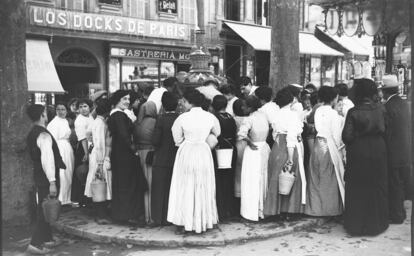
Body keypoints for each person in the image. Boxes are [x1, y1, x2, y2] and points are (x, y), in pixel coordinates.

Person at [167, 89, 221, 233]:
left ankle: (184, 222)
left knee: (185, 186)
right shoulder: (210, 117)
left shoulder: (182, 118)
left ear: (188, 102)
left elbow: (177, 138)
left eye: (184, 101)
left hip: (187, 151)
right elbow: (217, 132)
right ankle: (203, 221)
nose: (182, 104)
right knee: (203, 185)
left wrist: (184, 141)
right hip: (203, 151)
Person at [342, 78, 389, 236]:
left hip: (359, 151)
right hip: (378, 149)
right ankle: (376, 224)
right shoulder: (381, 109)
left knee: (358, 187)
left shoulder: (353, 112)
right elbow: (386, 130)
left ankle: (356, 225)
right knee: (376, 186)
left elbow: (347, 137)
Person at [26, 104, 66, 254]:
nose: (46, 114)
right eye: (45, 112)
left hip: (39, 175)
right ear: (42, 115)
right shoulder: (43, 135)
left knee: (45, 207)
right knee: (45, 210)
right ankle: (34, 245)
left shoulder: (33, 132)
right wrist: (52, 182)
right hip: (46, 178)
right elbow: (47, 160)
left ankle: (47, 239)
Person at [107, 90, 147, 226]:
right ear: (117, 100)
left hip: (119, 152)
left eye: (128, 99)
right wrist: (133, 150)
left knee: (122, 183)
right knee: (127, 183)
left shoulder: (117, 114)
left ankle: (121, 214)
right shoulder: (119, 115)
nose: (127, 101)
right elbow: (124, 135)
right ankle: (128, 215)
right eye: (124, 99)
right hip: (124, 153)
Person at [264, 87, 305, 219]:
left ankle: (274, 210)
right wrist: (291, 157)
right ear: (292, 100)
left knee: (276, 177)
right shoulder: (293, 115)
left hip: (277, 146)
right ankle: (290, 210)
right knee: (291, 176)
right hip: (289, 147)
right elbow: (291, 137)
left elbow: (274, 133)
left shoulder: (276, 115)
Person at [305, 86, 345, 217]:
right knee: (329, 177)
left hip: (318, 143)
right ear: (334, 98)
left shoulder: (317, 111)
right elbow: (336, 135)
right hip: (328, 145)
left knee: (316, 175)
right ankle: (330, 209)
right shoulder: (334, 114)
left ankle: (315, 208)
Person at [381, 75, 412, 224]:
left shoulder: (387, 107)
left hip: (392, 151)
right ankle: (401, 213)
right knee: (400, 182)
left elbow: (386, 131)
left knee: (394, 184)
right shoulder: (405, 104)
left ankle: (397, 215)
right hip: (404, 149)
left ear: (385, 91)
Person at [239, 95, 270, 221]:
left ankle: (251, 211)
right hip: (264, 148)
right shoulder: (264, 116)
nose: (242, 108)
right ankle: (263, 208)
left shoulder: (249, 119)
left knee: (251, 180)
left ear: (250, 107)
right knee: (263, 177)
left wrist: (250, 142)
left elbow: (241, 134)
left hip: (253, 150)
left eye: (244, 106)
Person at [151, 92, 179, 226]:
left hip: (161, 158)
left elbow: (155, 140)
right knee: (174, 190)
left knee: (159, 189)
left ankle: (158, 218)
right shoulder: (180, 118)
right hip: (177, 158)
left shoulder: (160, 119)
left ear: (162, 104)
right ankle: (172, 217)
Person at [84, 99, 112, 223]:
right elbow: (100, 143)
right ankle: (101, 214)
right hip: (98, 156)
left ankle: (99, 212)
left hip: (94, 154)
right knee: (100, 182)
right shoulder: (101, 124)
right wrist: (101, 163)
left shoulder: (96, 121)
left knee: (97, 182)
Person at [212, 95, 238, 220]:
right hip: (231, 149)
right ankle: (230, 209)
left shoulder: (215, 118)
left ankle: (221, 209)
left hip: (220, 151)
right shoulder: (230, 117)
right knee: (229, 179)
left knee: (220, 180)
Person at [134, 101, 158, 224]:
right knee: (152, 184)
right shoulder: (155, 122)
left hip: (140, 154)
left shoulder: (138, 123)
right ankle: (152, 216)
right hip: (151, 154)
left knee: (144, 185)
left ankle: (145, 214)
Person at [47, 102, 74, 206]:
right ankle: (61, 199)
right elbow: (52, 139)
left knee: (68, 173)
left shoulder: (65, 121)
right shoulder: (53, 123)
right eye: (58, 109)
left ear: (66, 111)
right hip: (59, 147)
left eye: (63, 109)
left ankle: (67, 198)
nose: (61, 112)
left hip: (67, 147)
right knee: (62, 174)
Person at [72, 98, 94, 207]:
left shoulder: (91, 117)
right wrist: (86, 153)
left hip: (91, 146)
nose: (83, 109)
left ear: (90, 107)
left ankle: (89, 198)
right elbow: (82, 138)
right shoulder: (79, 120)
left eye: (85, 106)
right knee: (83, 172)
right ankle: (83, 200)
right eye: (80, 107)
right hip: (83, 147)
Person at [233, 99, 248, 202]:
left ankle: (238, 193)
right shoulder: (249, 119)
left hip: (238, 144)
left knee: (238, 171)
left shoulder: (234, 119)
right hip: (248, 144)